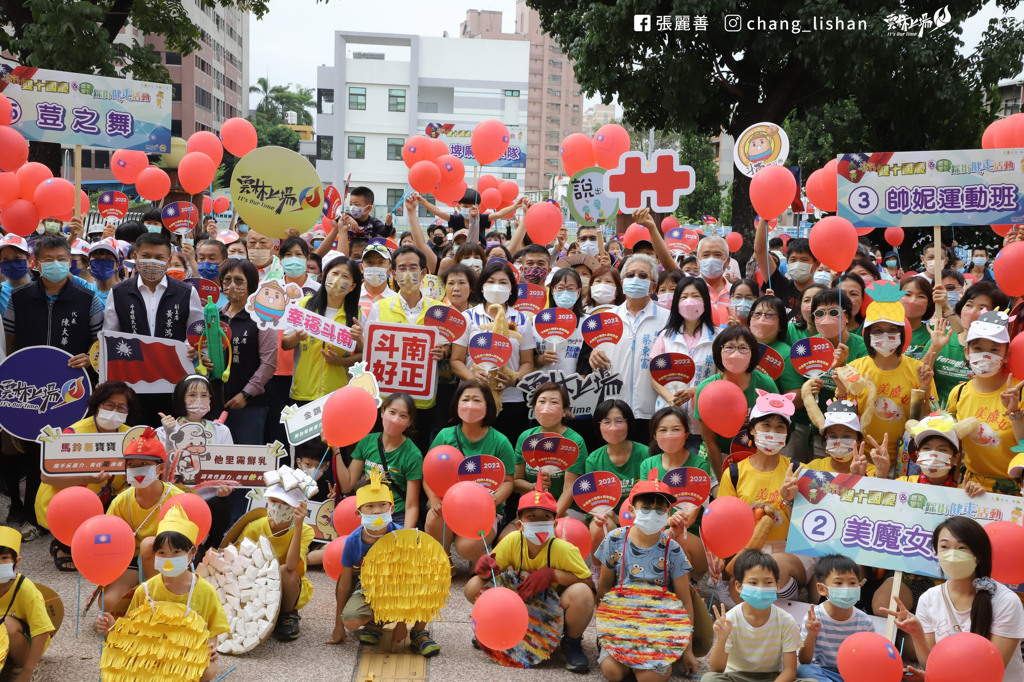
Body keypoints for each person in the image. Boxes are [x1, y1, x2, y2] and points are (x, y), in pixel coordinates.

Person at [3, 233, 103, 541]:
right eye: (48, 260)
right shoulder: (19, 299)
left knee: (67, 450)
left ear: (70, 260)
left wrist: (90, 357)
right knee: (35, 452)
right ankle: (35, 517)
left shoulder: (88, 298)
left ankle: (68, 515)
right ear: (36, 262)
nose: (56, 265)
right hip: (32, 394)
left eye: (62, 259)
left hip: (72, 391)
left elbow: (101, 345)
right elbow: (11, 345)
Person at [467, 479, 594, 672]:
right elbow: (491, 570)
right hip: (519, 603)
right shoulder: (512, 541)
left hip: (555, 605)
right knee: (474, 586)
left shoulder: (564, 549)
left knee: (582, 594)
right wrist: (485, 567)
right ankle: (493, 627)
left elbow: (588, 582)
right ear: (519, 524)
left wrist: (552, 575)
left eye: (545, 517)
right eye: (532, 516)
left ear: (555, 522)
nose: (539, 521)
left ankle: (572, 642)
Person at [882, 516, 1024, 682]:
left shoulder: (1005, 601)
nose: (952, 554)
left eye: (962, 547)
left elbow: (990, 671)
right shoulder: (929, 598)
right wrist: (917, 633)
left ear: (979, 554)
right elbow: (931, 662)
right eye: (944, 546)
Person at [96, 506, 228, 682]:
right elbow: (131, 630)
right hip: (150, 654)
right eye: (162, 553)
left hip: (183, 656)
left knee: (208, 671)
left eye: (176, 552)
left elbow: (214, 628)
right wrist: (112, 628)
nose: (169, 558)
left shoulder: (205, 591)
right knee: (117, 664)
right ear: (155, 554)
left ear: (192, 553)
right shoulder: (146, 590)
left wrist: (211, 647)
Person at [594, 472, 699, 680]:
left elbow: (685, 600)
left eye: (659, 509)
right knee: (613, 672)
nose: (653, 513)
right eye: (646, 508)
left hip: (658, 625)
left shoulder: (673, 549)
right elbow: (604, 589)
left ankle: (655, 662)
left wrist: (687, 649)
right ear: (632, 510)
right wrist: (605, 630)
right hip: (622, 621)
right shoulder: (614, 540)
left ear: (668, 511)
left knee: (649, 678)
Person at [328, 469, 440, 655]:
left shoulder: (401, 537)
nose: (377, 510)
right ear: (358, 512)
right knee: (351, 620)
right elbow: (344, 583)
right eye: (369, 506)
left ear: (392, 508)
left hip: (404, 588)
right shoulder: (354, 541)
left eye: (382, 504)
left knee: (430, 580)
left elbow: (410, 578)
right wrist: (339, 625)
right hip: (371, 590)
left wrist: (402, 623)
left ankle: (419, 632)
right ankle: (376, 621)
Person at [716, 391, 812, 603]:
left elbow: (810, 528)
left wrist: (789, 500)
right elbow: (724, 526)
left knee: (771, 567)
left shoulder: (799, 471)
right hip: (748, 550)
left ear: (787, 434)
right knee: (746, 588)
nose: (773, 432)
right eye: (766, 425)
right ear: (752, 430)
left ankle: (788, 608)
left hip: (791, 551)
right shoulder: (734, 474)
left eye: (780, 427)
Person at [103, 232, 204, 420]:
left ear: (168, 261)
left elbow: (196, 332)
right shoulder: (118, 293)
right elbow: (111, 336)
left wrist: (192, 347)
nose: (153, 262)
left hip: (174, 383)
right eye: (146, 256)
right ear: (135, 258)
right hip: (133, 384)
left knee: (172, 436)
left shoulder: (186, 292)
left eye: (159, 258)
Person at [37, 381, 136, 571]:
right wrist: (86, 479)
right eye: (109, 405)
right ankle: (63, 545)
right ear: (98, 404)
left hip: (110, 496)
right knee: (78, 502)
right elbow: (46, 477)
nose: (115, 410)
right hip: (70, 500)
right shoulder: (73, 434)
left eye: (121, 407)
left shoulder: (128, 435)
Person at [840, 282, 936, 463]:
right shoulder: (855, 368)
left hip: (904, 461)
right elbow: (845, 419)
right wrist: (842, 391)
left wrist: (926, 390)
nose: (885, 336)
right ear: (868, 335)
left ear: (901, 334)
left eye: (892, 330)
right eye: (878, 331)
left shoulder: (917, 370)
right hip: (861, 458)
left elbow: (925, 420)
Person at [425, 381, 514, 564]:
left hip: (484, 511)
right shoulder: (444, 436)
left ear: (488, 405)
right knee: (434, 519)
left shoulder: (500, 441)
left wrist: (493, 500)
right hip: (448, 504)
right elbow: (428, 474)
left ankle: (478, 555)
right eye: (465, 399)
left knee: (466, 548)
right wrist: (433, 499)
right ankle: (444, 561)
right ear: (457, 404)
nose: (470, 405)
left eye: (477, 400)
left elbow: (508, 481)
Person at [102, 427, 184, 611]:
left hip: (167, 561)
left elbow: (185, 541)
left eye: (143, 464)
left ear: (161, 468)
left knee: (149, 544)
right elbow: (109, 536)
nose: (136, 470)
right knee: (108, 604)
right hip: (131, 560)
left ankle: (158, 596)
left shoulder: (176, 499)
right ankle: (141, 593)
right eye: (131, 465)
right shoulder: (121, 501)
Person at [450, 260, 535, 435]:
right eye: (490, 281)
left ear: (511, 288)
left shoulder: (522, 320)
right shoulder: (468, 317)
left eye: (503, 282)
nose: (496, 287)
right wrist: (472, 377)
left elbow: (528, 362)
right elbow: (456, 361)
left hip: (511, 400)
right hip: (473, 398)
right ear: (481, 287)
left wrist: (514, 379)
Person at [589, 253, 668, 443]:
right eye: (630, 275)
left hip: (653, 411)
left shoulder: (668, 319)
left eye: (643, 276)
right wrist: (593, 354)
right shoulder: (604, 319)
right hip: (613, 412)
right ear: (622, 283)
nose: (635, 280)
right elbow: (593, 358)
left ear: (653, 286)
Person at [945, 310, 1024, 494]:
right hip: (970, 487)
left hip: (1013, 491)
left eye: (994, 349)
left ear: (1006, 355)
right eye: (978, 349)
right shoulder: (958, 393)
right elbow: (952, 445)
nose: (986, 355)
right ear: (967, 352)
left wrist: (1015, 413)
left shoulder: (1019, 392)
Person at [703, 550, 812, 682]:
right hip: (737, 677)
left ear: (777, 585)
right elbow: (716, 669)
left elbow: (789, 671)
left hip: (772, 677)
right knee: (709, 679)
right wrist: (721, 639)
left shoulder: (786, 620)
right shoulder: (730, 620)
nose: (761, 588)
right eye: (753, 583)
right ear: (739, 586)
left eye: (768, 583)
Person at [693, 326, 779, 477]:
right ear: (719, 352)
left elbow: (776, 428)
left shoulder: (766, 384)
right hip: (716, 457)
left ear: (753, 353)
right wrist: (723, 481)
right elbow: (710, 441)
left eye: (743, 348)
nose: (736, 353)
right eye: (729, 347)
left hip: (756, 456)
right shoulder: (705, 388)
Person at [637, 406, 711, 574]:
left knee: (676, 543)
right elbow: (644, 508)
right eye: (663, 430)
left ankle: (686, 591)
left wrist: (671, 530)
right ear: (655, 436)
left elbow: (689, 518)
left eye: (676, 429)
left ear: (686, 434)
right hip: (654, 532)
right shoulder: (648, 465)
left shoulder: (700, 466)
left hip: (689, 537)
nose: (669, 435)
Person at [236, 481, 313, 641]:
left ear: (296, 507)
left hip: (287, 586)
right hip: (257, 582)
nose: (277, 507)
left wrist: (297, 527)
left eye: (284, 503)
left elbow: (292, 566)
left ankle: (287, 614)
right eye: (273, 501)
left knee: (286, 572)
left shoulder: (305, 531)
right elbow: (239, 561)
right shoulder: (254, 527)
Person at [282, 256, 364, 402]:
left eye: (345, 276)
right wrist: (297, 337)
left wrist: (342, 360)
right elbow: (285, 344)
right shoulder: (304, 304)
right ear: (325, 276)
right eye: (334, 273)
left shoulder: (356, 315)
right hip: (303, 391)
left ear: (352, 286)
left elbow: (364, 355)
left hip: (337, 394)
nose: (338, 279)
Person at [216, 259, 277, 444]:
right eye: (227, 280)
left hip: (249, 405)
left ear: (251, 284)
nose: (232, 285)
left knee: (246, 462)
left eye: (239, 280)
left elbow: (268, 363)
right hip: (215, 402)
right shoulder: (214, 316)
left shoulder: (261, 318)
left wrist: (246, 394)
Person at [342, 393, 423, 529]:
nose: (395, 419)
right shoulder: (367, 441)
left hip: (395, 515)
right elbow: (347, 485)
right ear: (382, 412)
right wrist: (336, 451)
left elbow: (411, 505)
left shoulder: (413, 455)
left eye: (403, 416)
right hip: (366, 511)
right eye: (392, 412)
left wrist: (405, 535)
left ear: (409, 422)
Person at [513, 383, 588, 520]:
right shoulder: (526, 438)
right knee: (505, 538)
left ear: (565, 411)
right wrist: (535, 486)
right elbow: (516, 481)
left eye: (554, 402)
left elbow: (569, 490)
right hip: (534, 508)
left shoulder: (574, 442)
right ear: (534, 407)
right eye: (541, 401)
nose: (546, 407)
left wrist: (549, 519)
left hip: (568, 510)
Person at [796, 555, 876, 682]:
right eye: (838, 583)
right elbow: (804, 660)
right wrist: (811, 635)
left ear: (859, 586)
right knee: (803, 670)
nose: (847, 588)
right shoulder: (814, 617)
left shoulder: (865, 622)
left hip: (852, 674)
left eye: (852, 583)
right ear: (822, 589)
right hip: (823, 672)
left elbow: (870, 660)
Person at [584, 400, 649, 554]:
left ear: (629, 423)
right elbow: (594, 502)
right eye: (606, 422)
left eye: (619, 421)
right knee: (600, 524)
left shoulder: (645, 454)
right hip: (608, 517)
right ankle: (597, 569)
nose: (612, 427)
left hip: (641, 518)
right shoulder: (593, 460)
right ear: (598, 426)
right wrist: (611, 515)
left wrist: (626, 519)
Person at [932, 281, 1008, 406]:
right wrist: (933, 349)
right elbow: (921, 376)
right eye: (969, 305)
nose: (972, 312)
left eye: (982, 308)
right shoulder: (941, 339)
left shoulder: (1000, 349)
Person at [0, 526, 54, 681]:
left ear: (17, 561)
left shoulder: (26, 589)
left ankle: (23, 665)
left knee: (6, 624)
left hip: (24, 646)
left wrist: (28, 669)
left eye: (4, 558)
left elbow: (42, 631)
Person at [804, 399, 889, 477]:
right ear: (825, 439)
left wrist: (880, 474)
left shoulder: (870, 470)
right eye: (833, 436)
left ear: (859, 441)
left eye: (847, 436)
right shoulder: (814, 468)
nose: (839, 441)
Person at [753, 218, 820, 314]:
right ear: (787, 263)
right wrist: (764, 216)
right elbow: (760, 251)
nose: (797, 263)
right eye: (793, 259)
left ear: (816, 264)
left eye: (804, 260)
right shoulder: (780, 285)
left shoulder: (822, 294)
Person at [355, 241, 395, 320]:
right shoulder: (351, 297)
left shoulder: (397, 300)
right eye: (370, 262)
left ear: (390, 269)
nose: (375, 267)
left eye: (381, 262)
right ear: (361, 268)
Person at [900, 276, 935, 360]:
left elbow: (961, 335)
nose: (913, 300)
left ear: (929, 303)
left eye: (921, 296)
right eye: (907, 294)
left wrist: (946, 306)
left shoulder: (934, 333)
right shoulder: (884, 330)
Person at [82, 237, 122, 308]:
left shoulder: (125, 291)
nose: (102, 262)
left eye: (108, 258)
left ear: (117, 265)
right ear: (89, 263)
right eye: (97, 258)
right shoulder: (85, 288)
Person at [0, 234, 32, 317]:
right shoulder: (1, 293)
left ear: (29, 261)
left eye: (17, 258)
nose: (12, 264)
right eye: (5, 259)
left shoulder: (41, 289)